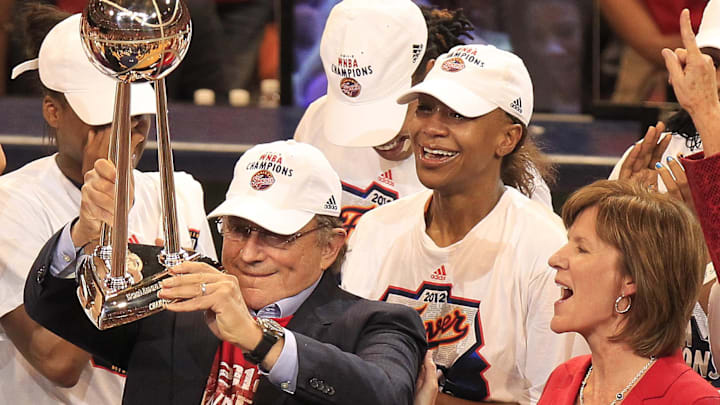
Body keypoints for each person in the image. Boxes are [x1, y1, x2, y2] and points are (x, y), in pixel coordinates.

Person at [24, 139, 428, 405]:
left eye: (276, 236)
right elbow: (52, 307)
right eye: (238, 228)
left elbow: (386, 395)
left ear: (329, 247)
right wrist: (85, 234)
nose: (249, 253)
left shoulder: (378, 324)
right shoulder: (178, 289)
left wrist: (257, 337)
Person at [342, 44, 581, 404]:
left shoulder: (545, 248)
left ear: (507, 138)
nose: (431, 128)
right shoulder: (375, 230)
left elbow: (552, 399)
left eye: (457, 115)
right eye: (425, 109)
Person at [0, 8, 215, 404]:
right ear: (53, 110)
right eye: (104, 119)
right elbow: (57, 360)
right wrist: (102, 231)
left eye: (135, 118)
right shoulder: (10, 204)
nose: (126, 132)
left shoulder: (182, 195)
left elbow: (203, 341)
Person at [294, 0, 554, 237]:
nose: (379, 136)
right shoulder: (317, 120)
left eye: (389, 105)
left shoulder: (493, 171)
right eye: (355, 110)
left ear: (431, 74)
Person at [608, 1, 720, 386]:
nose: (713, 82)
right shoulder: (659, 152)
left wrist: (698, 233)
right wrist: (620, 220)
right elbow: (600, 304)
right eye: (709, 64)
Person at [537, 180, 719, 403]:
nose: (555, 259)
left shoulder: (692, 401)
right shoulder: (562, 379)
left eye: (581, 249)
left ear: (632, 278)